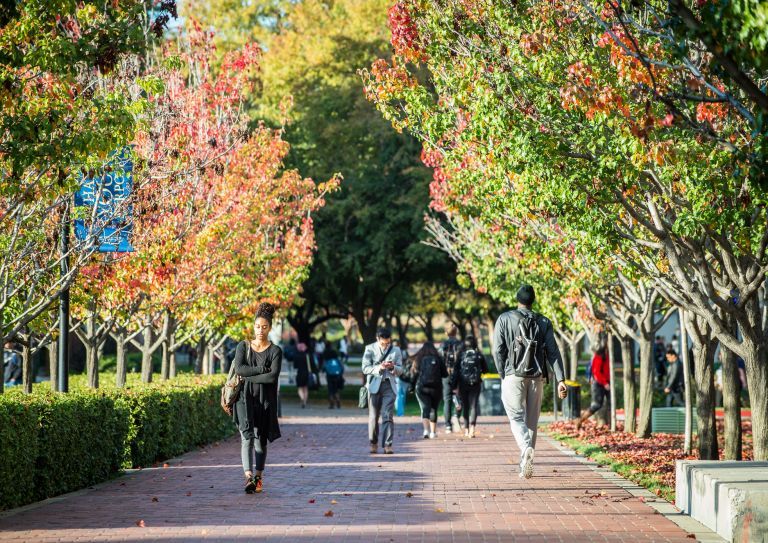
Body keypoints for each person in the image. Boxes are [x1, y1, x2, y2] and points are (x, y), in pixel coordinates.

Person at [493, 284, 567, 479]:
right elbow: (553, 352)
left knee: (516, 416)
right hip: (537, 377)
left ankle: (525, 448)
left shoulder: (504, 319)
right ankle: (527, 459)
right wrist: (561, 379)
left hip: (513, 375)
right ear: (533, 300)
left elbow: (497, 350)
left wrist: (504, 373)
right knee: (531, 420)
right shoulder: (543, 321)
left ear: (517, 300)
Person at [232, 302, 282, 494]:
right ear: (253, 326)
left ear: (269, 328)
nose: (260, 330)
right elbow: (239, 369)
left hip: (265, 400)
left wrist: (248, 375)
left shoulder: (275, 351)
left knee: (260, 439)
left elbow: (272, 376)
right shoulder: (243, 347)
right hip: (244, 398)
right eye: (257, 326)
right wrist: (261, 370)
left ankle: (259, 477)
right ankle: (248, 478)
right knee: (247, 437)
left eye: (264, 327)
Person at [362, 327, 403, 454]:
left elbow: (401, 370)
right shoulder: (369, 348)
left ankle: (387, 444)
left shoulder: (396, 350)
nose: (386, 345)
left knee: (387, 415)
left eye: (388, 343)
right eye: (383, 343)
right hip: (374, 386)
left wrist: (392, 367)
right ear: (377, 339)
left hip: (389, 386)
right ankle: (373, 442)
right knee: (373, 417)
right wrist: (379, 367)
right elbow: (365, 368)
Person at [450, 335, 488, 438]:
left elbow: (456, 371)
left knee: (465, 407)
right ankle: (472, 429)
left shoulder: (461, 355)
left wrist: (453, 385)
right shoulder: (478, 355)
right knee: (474, 406)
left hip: (463, 383)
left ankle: (466, 430)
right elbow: (486, 370)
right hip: (475, 384)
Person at [408, 342, 448, 439]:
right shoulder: (438, 358)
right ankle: (433, 433)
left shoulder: (419, 359)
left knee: (425, 408)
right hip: (436, 388)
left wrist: (411, 387)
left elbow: (414, 374)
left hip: (422, 388)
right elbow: (445, 374)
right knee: (433, 409)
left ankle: (426, 430)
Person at [576, 343, 610, 429]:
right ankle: (580, 421)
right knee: (596, 405)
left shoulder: (607, 355)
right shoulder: (599, 356)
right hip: (599, 384)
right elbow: (596, 373)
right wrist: (605, 383)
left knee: (611, 404)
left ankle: (608, 425)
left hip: (606, 382)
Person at [439, 324, 463, 434]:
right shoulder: (460, 344)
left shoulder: (443, 344)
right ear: (456, 332)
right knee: (459, 397)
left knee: (447, 399)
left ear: (446, 333)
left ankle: (448, 425)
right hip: (458, 374)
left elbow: (439, 359)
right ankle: (456, 416)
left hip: (446, 374)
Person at [294, 342, 317, 408]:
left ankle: (302, 398)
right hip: (307, 373)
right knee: (305, 388)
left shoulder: (296, 356)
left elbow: (295, 366)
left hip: (300, 373)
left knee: (300, 388)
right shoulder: (308, 355)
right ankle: (305, 401)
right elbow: (313, 364)